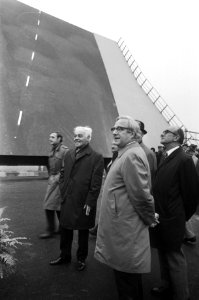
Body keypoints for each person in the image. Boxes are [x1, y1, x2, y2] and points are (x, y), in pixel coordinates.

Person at [95, 116, 157, 300]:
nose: (114, 131)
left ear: (132, 133)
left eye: (120, 129)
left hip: (126, 226)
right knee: (126, 275)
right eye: (114, 128)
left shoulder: (132, 155)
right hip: (122, 224)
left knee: (127, 276)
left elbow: (141, 195)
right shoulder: (126, 153)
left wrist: (150, 218)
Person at [151, 126, 199, 300]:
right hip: (160, 216)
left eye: (166, 132)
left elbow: (191, 195)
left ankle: (181, 295)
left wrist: (179, 217)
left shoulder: (184, 159)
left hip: (172, 218)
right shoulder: (166, 156)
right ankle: (166, 285)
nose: (162, 133)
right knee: (163, 252)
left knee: (174, 256)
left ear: (176, 137)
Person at [50, 126, 104, 271]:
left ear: (89, 138)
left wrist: (90, 202)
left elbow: (96, 183)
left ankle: (81, 259)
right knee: (65, 228)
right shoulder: (69, 154)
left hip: (83, 201)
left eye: (80, 136)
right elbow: (62, 173)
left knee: (83, 231)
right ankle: (64, 256)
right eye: (75, 136)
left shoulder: (96, 157)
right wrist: (63, 189)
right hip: (68, 198)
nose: (76, 138)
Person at [39, 132, 68, 239]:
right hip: (53, 181)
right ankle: (62, 228)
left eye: (52, 137)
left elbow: (67, 167)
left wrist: (56, 178)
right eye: (49, 137)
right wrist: (50, 176)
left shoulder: (65, 151)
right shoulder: (52, 150)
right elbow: (51, 166)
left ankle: (50, 230)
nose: (49, 139)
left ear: (59, 139)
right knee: (56, 206)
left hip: (60, 182)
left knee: (49, 205)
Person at [89, 142, 118, 237]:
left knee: (109, 212)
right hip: (108, 188)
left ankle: (100, 230)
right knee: (105, 211)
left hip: (114, 190)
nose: (112, 146)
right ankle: (99, 229)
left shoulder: (119, 158)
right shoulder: (113, 157)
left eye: (115, 145)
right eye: (112, 144)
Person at [183, 144, 199, 244]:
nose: (188, 151)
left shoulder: (193, 160)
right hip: (189, 190)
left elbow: (194, 178)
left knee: (183, 214)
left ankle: (189, 234)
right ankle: (188, 234)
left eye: (190, 150)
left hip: (189, 191)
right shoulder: (190, 159)